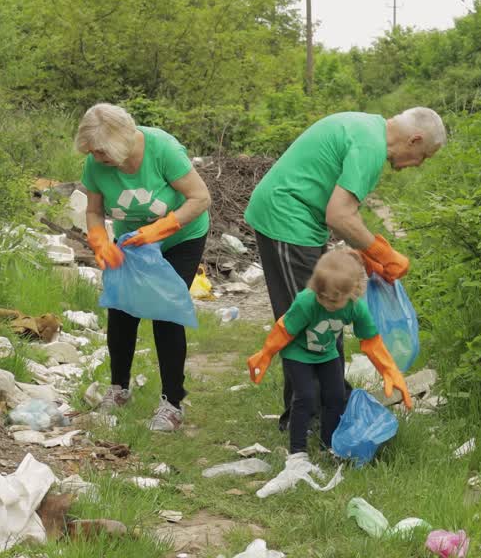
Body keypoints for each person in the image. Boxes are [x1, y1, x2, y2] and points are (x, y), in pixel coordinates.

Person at [243, 107, 445, 429]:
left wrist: (367, 254)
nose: (419, 164)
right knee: (313, 322)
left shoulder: (368, 130)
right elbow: (339, 216)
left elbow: (343, 209)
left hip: (298, 219)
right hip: (286, 218)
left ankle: (326, 410)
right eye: (424, 156)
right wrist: (384, 253)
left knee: (325, 320)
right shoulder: (371, 147)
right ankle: (314, 418)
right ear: (415, 139)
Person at [75, 103, 212, 432]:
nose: (97, 159)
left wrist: (159, 230)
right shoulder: (96, 164)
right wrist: (99, 240)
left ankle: (172, 404)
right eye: (92, 152)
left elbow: (200, 198)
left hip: (180, 238)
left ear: (121, 142)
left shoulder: (163, 150)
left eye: (102, 152)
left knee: (165, 313)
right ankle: (119, 389)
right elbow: (94, 211)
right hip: (132, 242)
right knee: (121, 310)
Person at [245, 249, 412, 459]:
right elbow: (284, 330)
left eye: (334, 300)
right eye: (321, 295)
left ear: (353, 291)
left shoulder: (356, 308)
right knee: (305, 397)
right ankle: (297, 451)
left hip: (327, 353)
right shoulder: (306, 301)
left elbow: (371, 341)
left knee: (335, 397)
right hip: (298, 353)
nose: (326, 303)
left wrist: (390, 370)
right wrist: (266, 353)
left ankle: (328, 446)